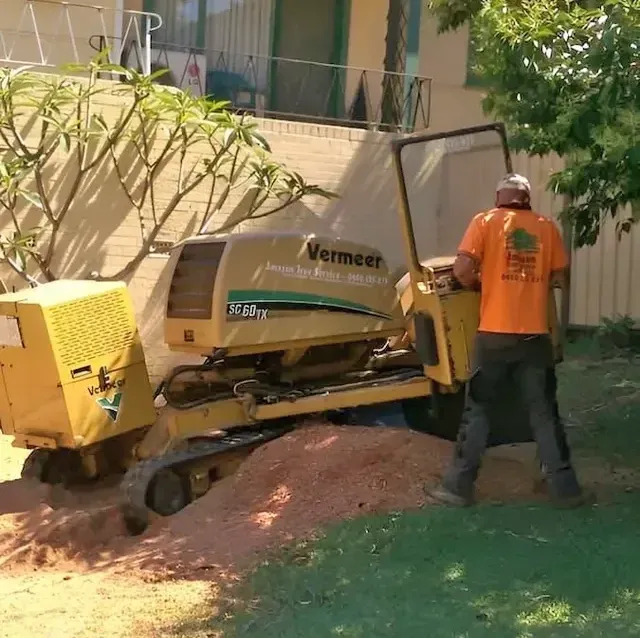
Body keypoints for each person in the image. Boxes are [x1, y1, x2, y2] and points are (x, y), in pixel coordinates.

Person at [429, 173, 589, 508]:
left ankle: (458, 488)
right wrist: (533, 283)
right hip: (534, 337)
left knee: (480, 411)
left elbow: (460, 270)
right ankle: (565, 490)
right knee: (544, 412)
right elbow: (560, 279)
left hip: (494, 336)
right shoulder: (546, 227)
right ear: (527, 197)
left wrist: (483, 285)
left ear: (499, 195)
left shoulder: (484, 222)